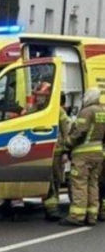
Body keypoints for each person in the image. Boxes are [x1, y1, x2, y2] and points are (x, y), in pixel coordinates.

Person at [61, 87, 105, 226]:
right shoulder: (102, 111)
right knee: (93, 184)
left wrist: (67, 144)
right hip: (98, 153)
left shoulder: (86, 112)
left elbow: (80, 132)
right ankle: (92, 216)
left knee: (79, 183)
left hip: (83, 154)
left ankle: (77, 216)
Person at [44, 92, 72, 220]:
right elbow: (68, 131)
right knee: (54, 180)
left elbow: (66, 131)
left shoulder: (58, 112)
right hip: (55, 150)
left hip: (55, 150)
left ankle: (52, 209)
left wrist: (65, 151)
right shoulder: (56, 111)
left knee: (53, 180)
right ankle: (52, 208)